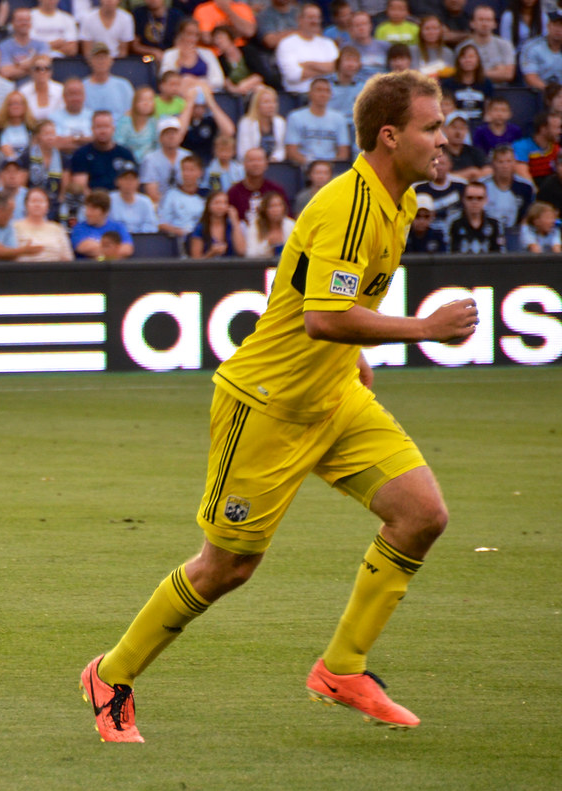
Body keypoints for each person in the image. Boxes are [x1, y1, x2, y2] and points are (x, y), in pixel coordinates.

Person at [80, 69, 480, 744]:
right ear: (391, 135)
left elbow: (317, 291)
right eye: (431, 127)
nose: (444, 139)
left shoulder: (398, 199)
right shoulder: (351, 204)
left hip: (335, 398)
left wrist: (354, 351)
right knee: (227, 566)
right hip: (266, 405)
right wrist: (423, 329)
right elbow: (324, 317)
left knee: (421, 515)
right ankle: (110, 674)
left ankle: (342, 667)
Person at [285, 78, 351, 166]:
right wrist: (312, 166)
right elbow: (291, 151)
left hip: (331, 167)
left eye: (327, 91)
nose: (323, 94)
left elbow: (343, 152)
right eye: (319, 90)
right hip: (304, 166)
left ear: (331, 95)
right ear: (310, 93)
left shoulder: (339, 118)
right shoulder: (295, 117)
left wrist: (327, 167)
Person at [68, 111, 137, 195]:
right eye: (98, 127)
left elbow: (132, 184)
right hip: (92, 203)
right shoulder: (81, 154)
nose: (102, 131)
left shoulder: (125, 154)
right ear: (92, 129)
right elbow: (81, 187)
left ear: (113, 129)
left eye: (106, 127)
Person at [159, 19, 225, 93]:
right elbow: (165, 80)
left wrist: (195, 82)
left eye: (196, 35)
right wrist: (179, 63)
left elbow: (219, 81)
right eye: (189, 34)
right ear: (181, 34)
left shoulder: (207, 53)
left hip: (205, 94)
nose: (192, 39)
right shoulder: (170, 54)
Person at [11, 186, 74, 261]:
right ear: (26, 205)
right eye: (33, 201)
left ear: (48, 206)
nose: (37, 205)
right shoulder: (14, 227)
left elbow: (68, 258)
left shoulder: (57, 228)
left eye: (41, 201)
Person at [480, 145, 534, 232]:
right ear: (493, 164)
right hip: (487, 231)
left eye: (509, 161)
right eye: (500, 162)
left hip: (515, 233)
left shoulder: (525, 187)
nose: (505, 166)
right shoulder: (482, 185)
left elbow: (526, 217)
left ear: (515, 163)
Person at [140, 117, 193, 205]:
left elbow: (193, 186)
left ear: (180, 137)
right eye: (167, 133)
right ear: (160, 138)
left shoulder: (188, 157)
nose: (171, 136)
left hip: (186, 204)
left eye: (174, 133)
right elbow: (152, 193)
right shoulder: (150, 159)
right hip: (160, 206)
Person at [227, 146, 288, 223]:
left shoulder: (276, 190)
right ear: (244, 164)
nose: (255, 164)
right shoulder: (234, 192)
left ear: (266, 164)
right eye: (251, 160)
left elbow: (286, 218)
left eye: (259, 160)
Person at [460, 5, 517, 85]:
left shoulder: (505, 45)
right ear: (472, 23)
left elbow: (508, 75)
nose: (485, 24)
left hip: (500, 92)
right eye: (481, 20)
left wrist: (474, 72)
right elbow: (460, 75)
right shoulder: (463, 47)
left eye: (488, 20)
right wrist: (496, 71)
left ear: (494, 24)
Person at [413, 150, 466, 234]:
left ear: (450, 165)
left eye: (442, 164)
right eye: (436, 164)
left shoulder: (461, 186)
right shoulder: (420, 189)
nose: (439, 167)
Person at [71, 188, 134, 258]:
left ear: (105, 212)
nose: (87, 213)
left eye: (93, 209)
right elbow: (84, 248)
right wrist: (112, 248)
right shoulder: (79, 228)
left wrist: (99, 248)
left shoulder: (118, 227)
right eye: (87, 208)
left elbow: (127, 249)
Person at [439, 45, 494, 124]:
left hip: (479, 124)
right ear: (459, 61)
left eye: (471, 57)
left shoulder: (486, 83)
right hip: (454, 125)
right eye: (464, 57)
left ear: (478, 60)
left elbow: (488, 109)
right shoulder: (448, 83)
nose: (468, 60)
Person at [158, 154, 208, 239]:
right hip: (178, 239)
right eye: (184, 170)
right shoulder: (171, 195)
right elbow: (162, 224)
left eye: (191, 170)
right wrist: (178, 231)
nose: (187, 174)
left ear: (200, 172)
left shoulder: (206, 194)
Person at [83, 43, 135, 123]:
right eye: (97, 58)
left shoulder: (124, 85)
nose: (101, 61)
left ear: (111, 61)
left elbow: (131, 112)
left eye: (104, 58)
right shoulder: (82, 87)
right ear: (90, 61)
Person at [186, 188, 245, 258]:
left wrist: (235, 221)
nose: (221, 207)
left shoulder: (231, 226)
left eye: (225, 203)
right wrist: (212, 253)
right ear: (208, 205)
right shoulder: (200, 228)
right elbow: (195, 261)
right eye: (217, 203)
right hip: (208, 267)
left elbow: (241, 251)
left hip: (230, 267)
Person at [448, 180, 504, 252]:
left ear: (486, 200)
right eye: (470, 198)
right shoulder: (454, 223)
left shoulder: (494, 223)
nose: (474, 202)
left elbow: (500, 253)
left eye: (479, 198)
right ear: (463, 199)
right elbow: (449, 251)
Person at [236, 85, 286, 163]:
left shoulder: (280, 122)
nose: (271, 106)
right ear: (257, 105)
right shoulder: (246, 123)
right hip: (253, 164)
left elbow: (281, 149)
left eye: (274, 102)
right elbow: (243, 152)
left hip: (274, 164)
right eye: (266, 102)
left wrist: (275, 158)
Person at [0, 7, 49, 82]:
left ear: (31, 23)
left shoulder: (42, 44)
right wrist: (34, 64)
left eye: (27, 20)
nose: (24, 23)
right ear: (13, 23)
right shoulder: (3, 46)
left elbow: (43, 66)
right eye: (20, 20)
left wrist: (17, 65)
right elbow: (6, 72)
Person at [513, 111, 562, 186]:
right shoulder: (521, 146)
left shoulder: (556, 148)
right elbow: (523, 175)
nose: (560, 132)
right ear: (543, 129)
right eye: (556, 128)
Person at [109, 161, 159, 232]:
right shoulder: (109, 200)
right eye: (125, 178)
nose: (129, 182)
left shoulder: (145, 201)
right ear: (117, 181)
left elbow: (152, 226)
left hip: (141, 239)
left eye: (132, 179)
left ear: (138, 182)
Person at [519, 9, 562, 91]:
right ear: (548, 26)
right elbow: (531, 77)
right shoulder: (532, 47)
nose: (558, 29)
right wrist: (552, 93)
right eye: (555, 24)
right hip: (538, 94)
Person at [243, 188, 294, 256]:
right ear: (265, 210)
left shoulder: (291, 225)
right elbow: (250, 254)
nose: (276, 210)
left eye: (279, 205)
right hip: (261, 265)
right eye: (272, 206)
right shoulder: (255, 226)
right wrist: (268, 245)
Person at [442, 111, 490, 182]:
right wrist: (469, 173)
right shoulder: (439, 151)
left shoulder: (473, 151)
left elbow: (489, 170)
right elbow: (439, 175)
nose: (458, 132)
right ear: (445, 130)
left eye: (462, 128)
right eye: (454, 127)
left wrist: (476, 174)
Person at [114, 86, 158, 162]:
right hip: (128, 161)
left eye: (150, 100)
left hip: (149, 162)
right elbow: (118, 144)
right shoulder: (125, 121)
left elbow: (157, 145)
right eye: (142, 100)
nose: (146, 103)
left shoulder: (154, 122)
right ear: (135, 103)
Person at [20, 54, 64, 122]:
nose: (42, 72)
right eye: (37, 69)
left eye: (46, 68)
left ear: (51, 72)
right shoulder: (23, 92)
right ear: (31, 72)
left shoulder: (60, 90)